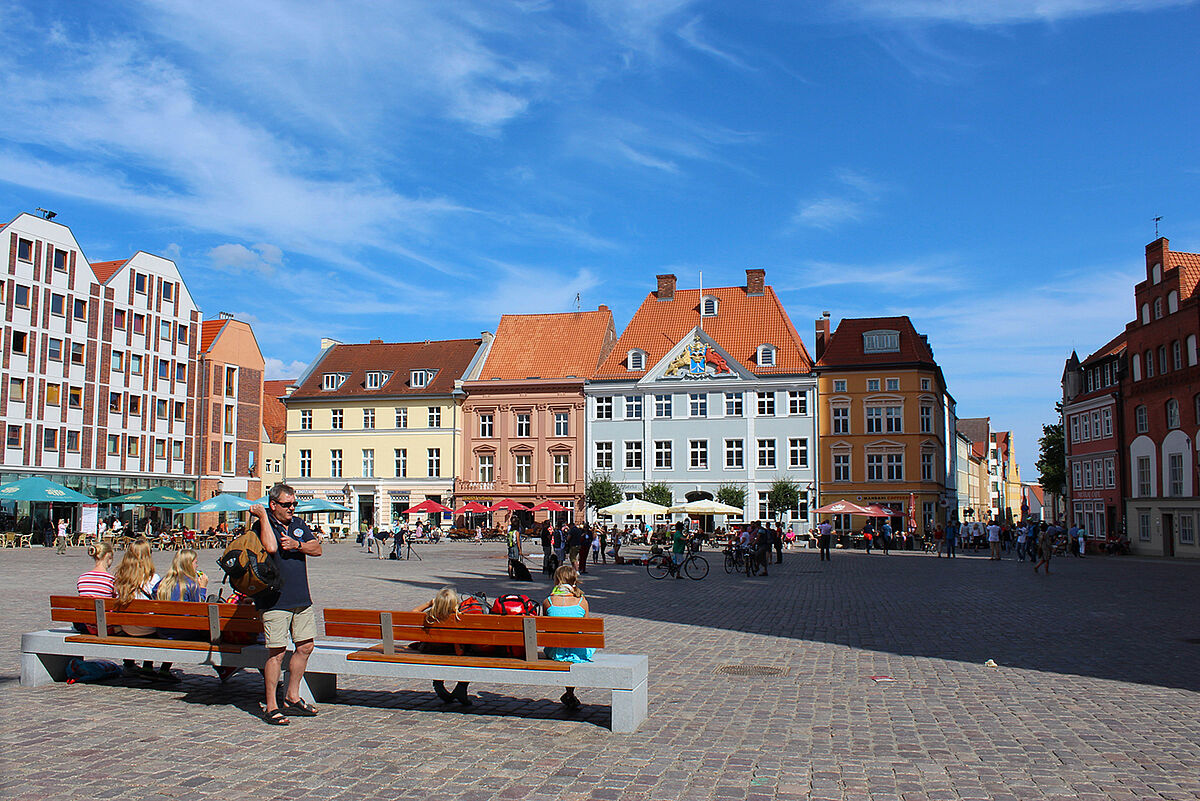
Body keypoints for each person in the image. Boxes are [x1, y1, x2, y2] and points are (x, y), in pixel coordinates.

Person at [250, 483, 323, 726]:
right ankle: (271, 705)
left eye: (294, 504)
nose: (292, 508)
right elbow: (270, 547)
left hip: (301, 597)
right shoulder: (263, 524)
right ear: (273, 505)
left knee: (305, 646)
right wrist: (262, 517)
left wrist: (297, 545)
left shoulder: (299, 525)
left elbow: (317, 549)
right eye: (286, 504)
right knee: (277, 652)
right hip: (274, 599)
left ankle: (292, 696)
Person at [113, 538, 176, 682]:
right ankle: (151, 667)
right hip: (148, 629)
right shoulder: (153, 579)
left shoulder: (120, 579)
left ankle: (129, 664)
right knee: (167, 627)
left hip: (126, 628)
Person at [542, 564, 594, 711]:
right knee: (576, 648)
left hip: (555, 651)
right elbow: (586, 629)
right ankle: (570, 693)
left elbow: (546, 629)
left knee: (564, 646)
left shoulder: (548, 602)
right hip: (577, 651)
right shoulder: (582, 601)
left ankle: (569, 694)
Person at [411, 586, 473, 706]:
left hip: (430, 651)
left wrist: (428, 603)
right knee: (472, 655)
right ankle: (462, 686)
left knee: (438, 652)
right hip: (453, 652)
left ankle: (438, 683)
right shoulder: (459, 618)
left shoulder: (429, 617)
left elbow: (412, 613)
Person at [156, 549, 210, 640]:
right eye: (195, 563)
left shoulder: (162, 583)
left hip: (163, 632)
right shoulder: (191, 585)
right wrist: (203, 588)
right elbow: (198, 611)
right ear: (188, 564)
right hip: (185, 633)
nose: (197, 566)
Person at [76, 541, 117, 634]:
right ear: (109, 557)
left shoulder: (82, 578)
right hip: (106, 626)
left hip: (85, 624)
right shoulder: (111, 580)